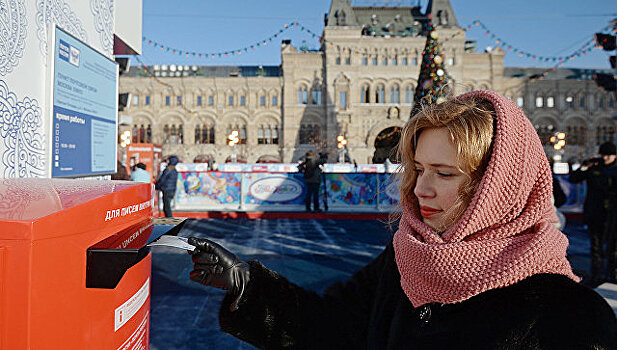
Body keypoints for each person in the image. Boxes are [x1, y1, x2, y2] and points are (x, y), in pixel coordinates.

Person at [187, 91, 617, 349]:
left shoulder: (569, 318)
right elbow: (335, 328)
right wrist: (250, 287)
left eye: (444, 173)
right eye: (418, 169)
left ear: (500, 184)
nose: (418, 189)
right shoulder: (405, 257)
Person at [569, 142, 617, 286]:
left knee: (613, 247)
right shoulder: (594, 167)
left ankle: (612, 274)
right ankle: (596, 276)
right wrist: (583, 167)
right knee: (595, 247)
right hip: (595, 212)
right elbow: (574, 179)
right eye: (603, 154)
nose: (605, 158)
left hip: (613, 214)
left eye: (608, 155)